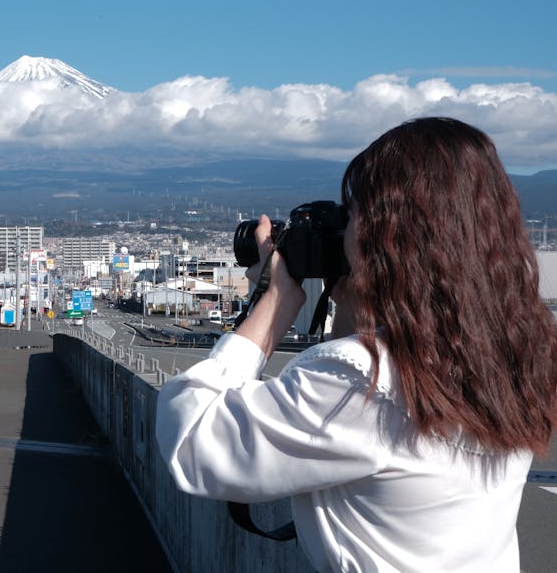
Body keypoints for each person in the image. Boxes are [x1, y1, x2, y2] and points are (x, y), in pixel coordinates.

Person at [155, 117, 557, 572]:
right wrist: (354, 296)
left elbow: (191, 442)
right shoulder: (512, 358)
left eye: (356, 216)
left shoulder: (364, 380)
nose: (344, 234)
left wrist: (270, 303)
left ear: (389, 236)